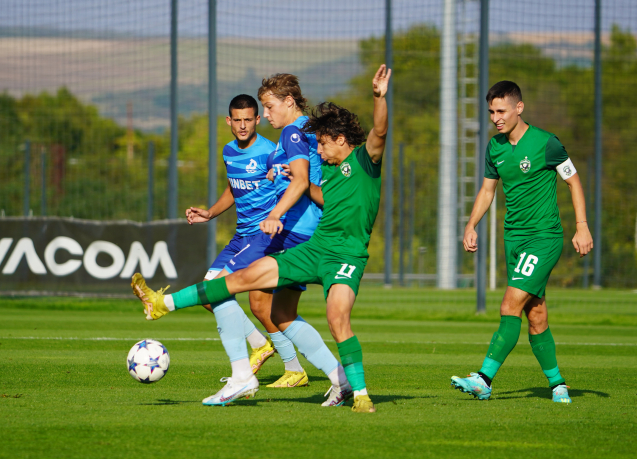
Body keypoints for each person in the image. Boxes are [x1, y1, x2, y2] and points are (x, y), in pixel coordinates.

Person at [131, 64, 392, 413]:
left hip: (330, 248)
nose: (318, 150)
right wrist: (285, 174)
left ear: (340, 140)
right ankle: (335, 378)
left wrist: (378, 97)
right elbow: (318, 192)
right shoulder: (327, 167)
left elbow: (378, 132)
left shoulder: (352, 156)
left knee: (331, 317)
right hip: (313, 245)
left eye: (268, 107)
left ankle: (350, 392)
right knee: (272, 308)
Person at [450, 81, 593, 404]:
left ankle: (483, 379)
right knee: (536, 314)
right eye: (491, 112)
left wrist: (581, 227)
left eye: (501, 111)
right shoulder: (495, 147)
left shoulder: (546, 143)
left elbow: (573, 181)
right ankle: (558, 384)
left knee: (509, 305)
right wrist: (471, 225)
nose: (496, 118)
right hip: (513, 240)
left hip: (543, 238)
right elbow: (488, 190)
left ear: (519, 108)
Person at [184, 94, 306, 393]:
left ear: (257, 120)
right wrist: (211, 213)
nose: (242, 126)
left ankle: (290, 365)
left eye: (248, 120)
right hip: (240, 237)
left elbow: (291, 184)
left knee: (250, 301)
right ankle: (263, 346)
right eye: (237, 120)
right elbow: (233, 187)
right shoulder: (228, 151)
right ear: (229, 121)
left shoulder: (271, 151)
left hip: (265, 236)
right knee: (214, 296)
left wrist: (279, 218)